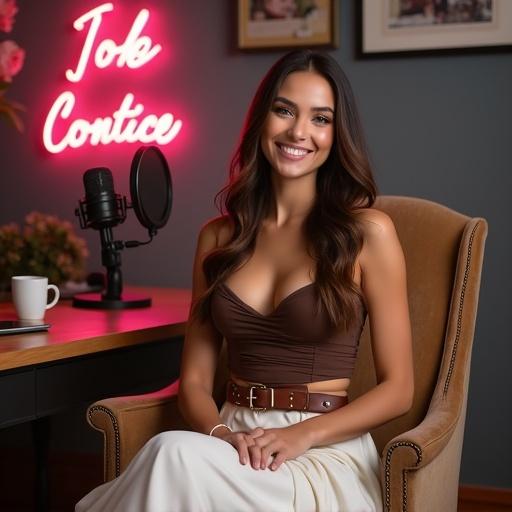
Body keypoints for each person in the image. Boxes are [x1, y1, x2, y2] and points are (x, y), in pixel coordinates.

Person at [76, 49, 414, 512]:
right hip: (230, 443)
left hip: (322, 452)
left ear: (337, 135)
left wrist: (300, 435)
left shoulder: (367, 233)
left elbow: (399, 388)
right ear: (261, 120)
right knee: (176, 455)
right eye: (284, 110)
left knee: (170, 454)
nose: (299, 131)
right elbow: (194, 380)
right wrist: (223, 435)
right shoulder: (217, 238)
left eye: (320, 118)